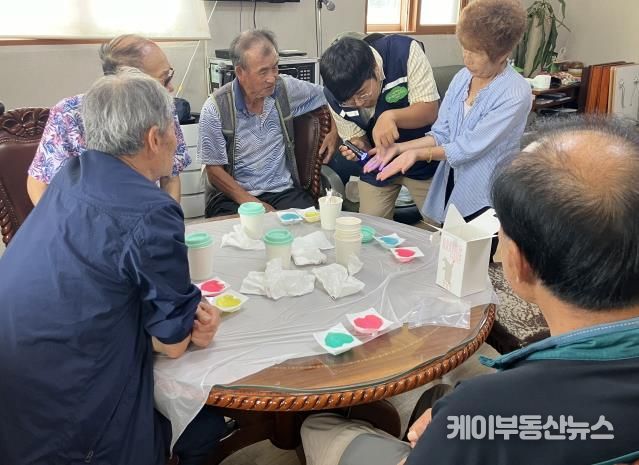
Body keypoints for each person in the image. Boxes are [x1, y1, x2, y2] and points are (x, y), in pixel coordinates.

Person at [300, 116, 639, 465]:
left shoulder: (485, 410)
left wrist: (459, 423)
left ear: (519, 263)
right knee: (442, 395)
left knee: (317, 426)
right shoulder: (483, 411)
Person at [0, 70, 226, 465]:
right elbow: (174, 342)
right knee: (204, 426)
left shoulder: (71, 175)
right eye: (173, 130)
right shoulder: (152, 211)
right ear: (154, 138)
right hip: (72, 424)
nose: (177, 141)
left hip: (18, 399)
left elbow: (97, 286)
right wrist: (190, 328)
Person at [364, 0, 531, 227]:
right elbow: (441, 133)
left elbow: (467, 147)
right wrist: (399, 148)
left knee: (477, 245)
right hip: (452, 180)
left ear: (503, 54)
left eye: (476, 52)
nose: (467, 58)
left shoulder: (515, 92)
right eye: (464, 48)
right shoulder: (462, 78)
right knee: (448, 239)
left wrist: (417, 154)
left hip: (487, 192)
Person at [27, 34, 189, 205]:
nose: (170, 87)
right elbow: (39, 183)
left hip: (147, 213)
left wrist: (168, 218)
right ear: (133, 83)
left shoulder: (162, 110)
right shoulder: (69, 114)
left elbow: (170, 177)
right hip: (85, 215)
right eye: (165, 79)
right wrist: (63, 220)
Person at [199, 29, 338, 217]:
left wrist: (334, 131)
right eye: (263, 71)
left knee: (309, 226)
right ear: (240, 72)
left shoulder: (285, 89)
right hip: (233, 197)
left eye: (275, 67)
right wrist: (256, 205)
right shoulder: (215, 107)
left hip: (282, 191)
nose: (272, 78)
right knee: (243, 231)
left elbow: (331, 95)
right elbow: (213, 171)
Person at [320, 33, 440, 220]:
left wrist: (391, 117)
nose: (359, 103)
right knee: (370, 227)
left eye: (362, 93)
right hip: (378, 165)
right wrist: (360, 146)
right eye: (349, 101)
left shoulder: (404, 52)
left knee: (440, 224)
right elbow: (358, 138)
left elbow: (430, 110)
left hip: (422, 158)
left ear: (376, 69)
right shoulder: (333, 95)